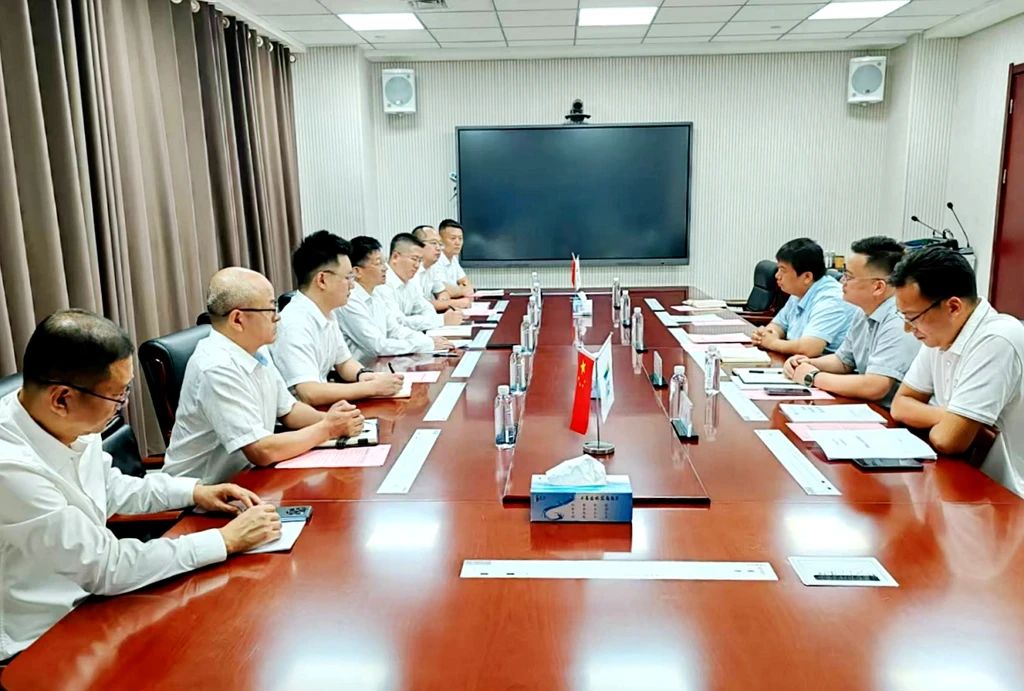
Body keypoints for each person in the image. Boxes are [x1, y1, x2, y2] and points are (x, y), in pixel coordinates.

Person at [0, 309, 281, 660]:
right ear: (61, 399)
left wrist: (194, 491)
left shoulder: (64, 421)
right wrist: (224, 540)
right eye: (117, 396)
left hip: (100, 600)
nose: (123, 406)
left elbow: (112, 488)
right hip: (43, 638)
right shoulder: (11, 468)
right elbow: (106, 567)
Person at [162, 267, 365, 484]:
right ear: (238, 319)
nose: (277, 317)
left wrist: (336, 420)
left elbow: (289, 410)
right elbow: (261, 450)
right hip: (201, 494)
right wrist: (327, 428)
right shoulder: (216, 366)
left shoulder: (255, 350)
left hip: (248, 478)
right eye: (270, 309)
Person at [890, 246, 1024, 497]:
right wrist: (950, 416)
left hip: (1008, 494)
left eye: (913, 317)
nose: (908, 329)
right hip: (968, 477)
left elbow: (948, 440)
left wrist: (953, 424)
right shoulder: (940, 333)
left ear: (953, 307)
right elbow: (900, 405)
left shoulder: (997, 339)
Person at [270, 230, 402, 406]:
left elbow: (344, 363)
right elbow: (309, 392)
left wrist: (365, 375)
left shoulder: (327, 312)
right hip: (304, 415)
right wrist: (372, 388)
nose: (352, 285)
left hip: (326, 408)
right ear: (322, 280)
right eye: (348, 277)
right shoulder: (294, 323)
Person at [783, 237, 920, 407]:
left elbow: (875, 386)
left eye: (848, 276)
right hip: (866, 405)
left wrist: (813, 377)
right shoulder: (863, 311)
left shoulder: (899, 320)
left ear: (878, 287)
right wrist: (806, 363)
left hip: (891, 414)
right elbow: (843, 361)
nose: (842, 281)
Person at [338, 236, 452, 364]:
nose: (385, 268)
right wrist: (422, 345)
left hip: (382, 363)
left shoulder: (377, 293)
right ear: (357, 272)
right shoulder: (350, 300)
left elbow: (395, 329)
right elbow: (378, 346)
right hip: (362, 370)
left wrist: (427, 341)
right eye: (378, 263)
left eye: (384, 262)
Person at [751, 237, 856, 356]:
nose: (777, 276)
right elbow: (779, 325)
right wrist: (767, 334)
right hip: (798, 361)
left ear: (807, 277)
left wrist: (772, 343)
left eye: (783, 270)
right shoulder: (800, 291)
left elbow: (810, 348)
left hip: (824, 364)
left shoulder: (832, 300)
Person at [378, 233, 462, 331]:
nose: (417, 265)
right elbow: (398, 322)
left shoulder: (411, 280)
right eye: (414, 259)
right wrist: (441, 320)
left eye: (420, 260)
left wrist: (436, 320)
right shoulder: (382, 282)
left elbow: (425, 307)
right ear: (395, 257)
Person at [412, 225, 470, 311]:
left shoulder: (431, 267)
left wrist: (443, 301)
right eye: (433, 243)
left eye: (440, 244)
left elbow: (442, 292)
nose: (438, 248)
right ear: (417, 245)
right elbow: (420, 305)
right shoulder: (411, 270)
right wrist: (455, 303)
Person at [437, 219, 474, 299]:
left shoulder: (453, 259)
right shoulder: (436, 260)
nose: (458, 242)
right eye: (453, 238)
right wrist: (462, 289)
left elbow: (467, 283)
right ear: (440, 240)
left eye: (460, 238)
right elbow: (442, 290)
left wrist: (457, 290)